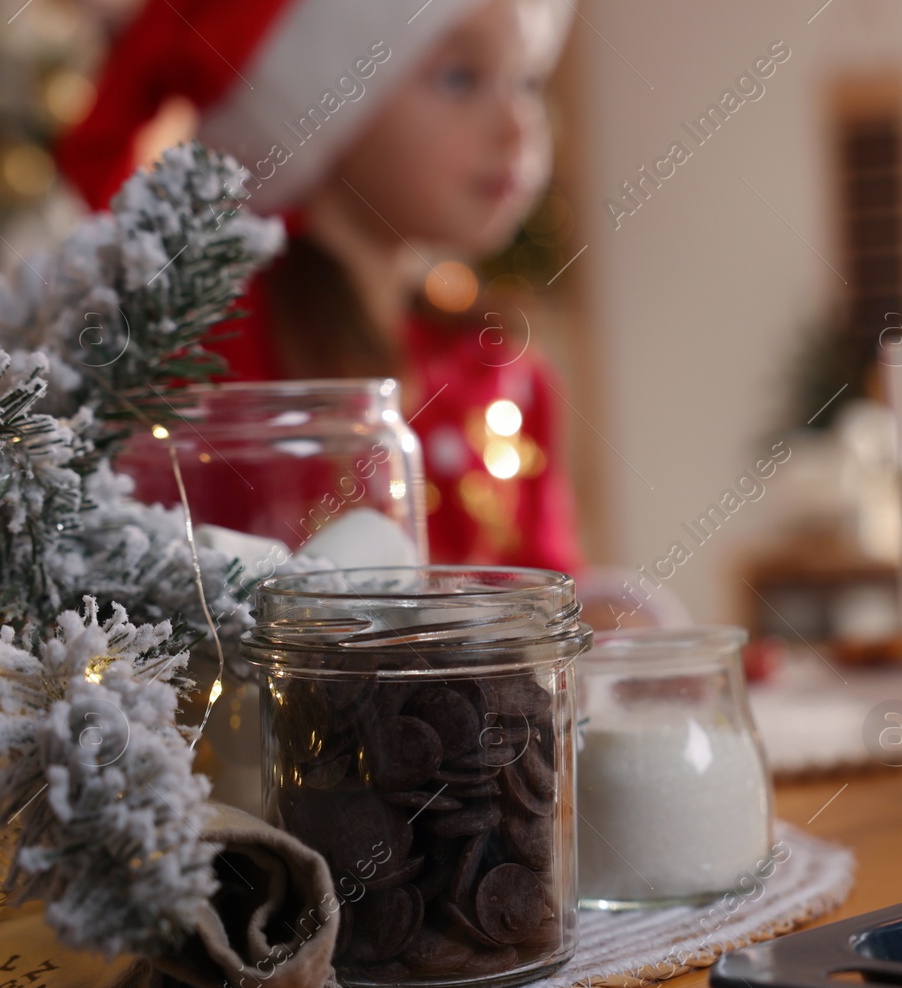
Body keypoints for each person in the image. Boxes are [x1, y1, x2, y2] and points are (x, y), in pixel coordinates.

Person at [56, 0, 585, 573]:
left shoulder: (501, 369)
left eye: (527, 80)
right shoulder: (206, 348)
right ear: (325, 104)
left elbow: (550, 589)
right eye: (460, 78)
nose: (518, 127)